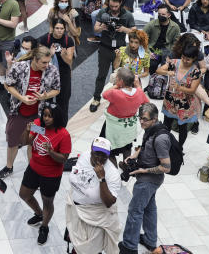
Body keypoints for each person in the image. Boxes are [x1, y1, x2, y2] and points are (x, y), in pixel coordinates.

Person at [118, 103, 172, 254]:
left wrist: (143, 170)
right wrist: (134, 155)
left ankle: (129, 246)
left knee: (135, 211)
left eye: (145, 120)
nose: (141, 122)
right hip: (148, 179)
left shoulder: (160, 138)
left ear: (154, 119)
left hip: (148, 180)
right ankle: (149, 240)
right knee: (149, 209)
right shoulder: (152, 129)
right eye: (140, 118)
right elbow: (145, 146)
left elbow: (166, 167)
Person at [0, 46, 60, 178]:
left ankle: (32, 169)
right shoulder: (20, 67)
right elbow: (8, 84)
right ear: (34, 59)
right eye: (44, 62)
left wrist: (45, 96)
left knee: (34, 142)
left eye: (48, 62)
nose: (47, 65)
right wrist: (22, 98)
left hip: (38, 115)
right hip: (18, 112)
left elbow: (57, 89)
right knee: (13, 140)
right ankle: (9, 167)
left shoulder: (52, 70)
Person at [19, 104, 70, 245]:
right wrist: (26, 130)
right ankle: (39, 214)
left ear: (56, 118)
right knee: (24, 194)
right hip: (34, 168)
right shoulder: (39, 126)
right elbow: (25, 142)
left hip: (51, 175)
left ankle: (44, 227)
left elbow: (64, 159)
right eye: (45, 115)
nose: (46, 119)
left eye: (50, 116)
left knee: (47, 202)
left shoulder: (63, 134)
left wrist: (51, 152)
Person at [65, 137, 121, 254]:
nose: (99, 158)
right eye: (96, 154)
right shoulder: (85, 156)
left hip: (94, 218)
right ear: (91, 150)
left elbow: (109, 202)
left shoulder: (113, 174)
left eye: (103, 155)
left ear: (108, 155)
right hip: (76, 210)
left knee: (89, 250)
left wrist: (102, 178)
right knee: (77, 247)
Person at [88, 0, 135, 113]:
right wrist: (102, 27)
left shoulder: (127, 15)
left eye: (116, 6)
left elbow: (134, 32)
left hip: (120, 49)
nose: (113, 8)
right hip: (105, 47)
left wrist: (125, 29)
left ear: (120, 3)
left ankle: (119, 99)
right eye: (111, 6)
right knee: (101, 75)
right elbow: (95, 29)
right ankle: (96, 98)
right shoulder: (103, 12)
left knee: (120, 77)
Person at [157, 41, 202, 146]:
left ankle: (179, 148)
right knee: (166, 123)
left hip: (184, 103)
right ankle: (164, 144)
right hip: (170, 99)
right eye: (183, 57)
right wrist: (167, 72)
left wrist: (179, 87)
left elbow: (192, 90)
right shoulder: (173, 63)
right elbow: (158, 70)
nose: (185, 60)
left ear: (194, 59)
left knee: (182, 127)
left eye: (188, 59)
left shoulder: (196, 72)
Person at [102, 67, 149, 160]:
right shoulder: (139, 92)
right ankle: (126, 167)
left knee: (110, 150)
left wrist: (117, 85)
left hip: (114, 127)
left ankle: (114, 171)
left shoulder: (115, 93)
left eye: (117, 78)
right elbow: (146, 102)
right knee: (127, 146)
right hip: (128, 127)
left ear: (121, 81)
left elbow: (104, 94)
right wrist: (138, 86)